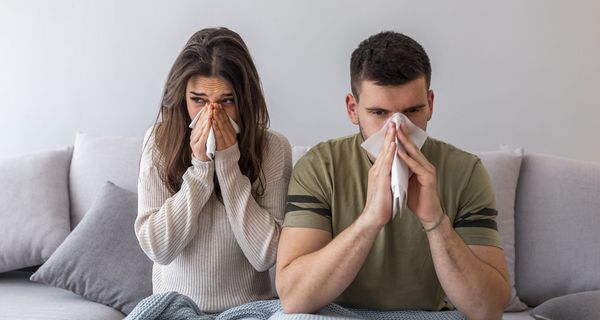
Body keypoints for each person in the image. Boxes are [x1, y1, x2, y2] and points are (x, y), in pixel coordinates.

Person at [276, 31, 511, 320]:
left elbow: (487, 309)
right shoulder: (319, 166)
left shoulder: (465, 171)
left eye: (412, 111)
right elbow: (294, 297)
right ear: (352, 109)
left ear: (431, 104)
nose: (396, 128)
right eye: (378, 113)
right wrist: (370, 220)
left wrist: (434, 220)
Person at [134, 27, 292, 313]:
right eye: (199, 101)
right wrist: (200, 168)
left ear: (244, 100)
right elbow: (158, 249)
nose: (212, 114)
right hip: (175, 307)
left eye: (226, 101)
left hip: (248, 310)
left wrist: (229, 163)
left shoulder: (274, 147)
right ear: (182, 98)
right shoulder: (158, 141)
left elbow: (265, 255)